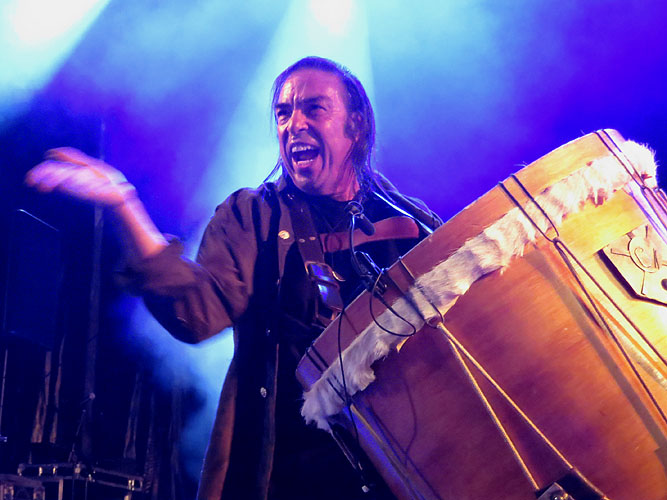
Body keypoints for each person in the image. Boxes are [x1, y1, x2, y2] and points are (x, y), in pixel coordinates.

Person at [26, 56, 442, 500]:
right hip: (285, 477)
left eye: (314, 109)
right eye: (283, 113)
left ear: (355, 124)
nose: (294, 124)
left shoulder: (409, 220)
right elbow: (195, 313)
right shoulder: (254, 215)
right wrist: (124, 205)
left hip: (400, 472)